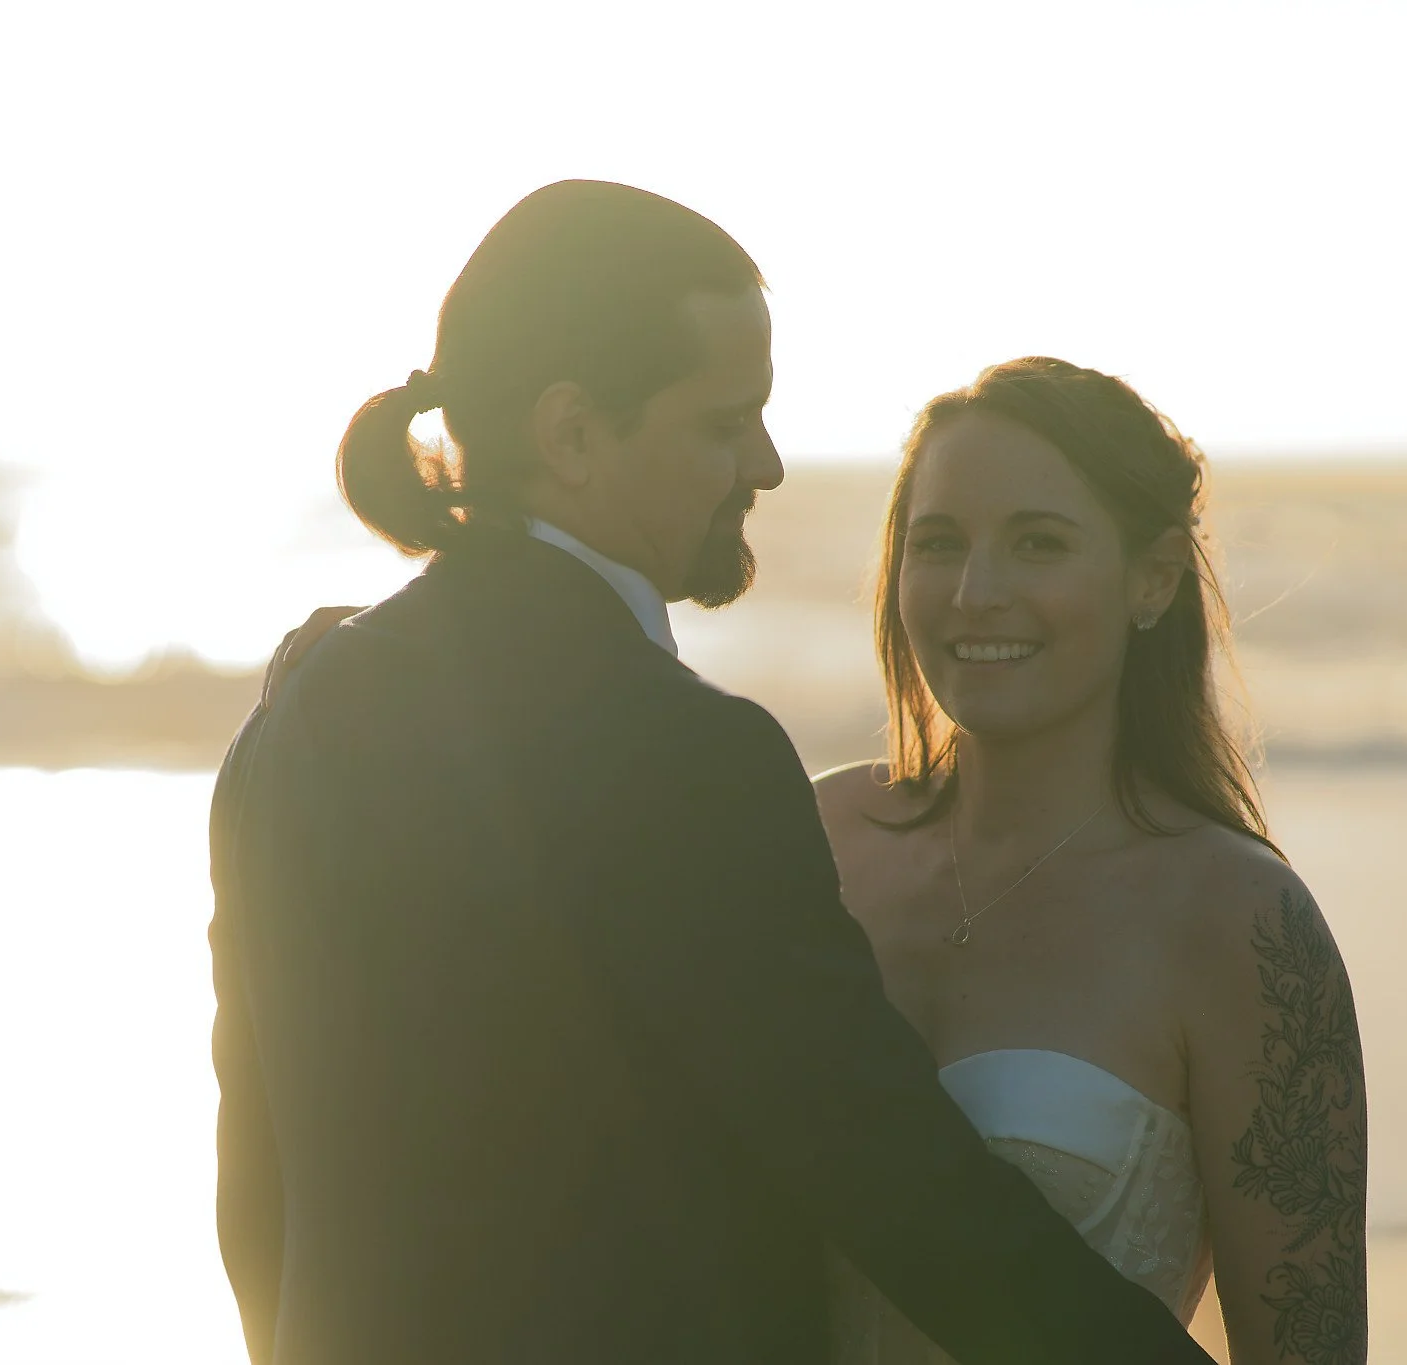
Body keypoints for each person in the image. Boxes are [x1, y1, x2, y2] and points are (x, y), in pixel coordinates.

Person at [208, 182, 1213, 1365]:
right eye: (722, 422)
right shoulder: (683, 757)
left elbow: (257, 1183)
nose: (767, 464)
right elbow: (900, 1188)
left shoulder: (300, 709)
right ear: (572, 432)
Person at [815, 359, 1368, 1364]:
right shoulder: (818, 840)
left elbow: (1309, 1350)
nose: (975, 593)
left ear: (1150, 578)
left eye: (1037, 545)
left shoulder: (1237, 922)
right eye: (938, 544)